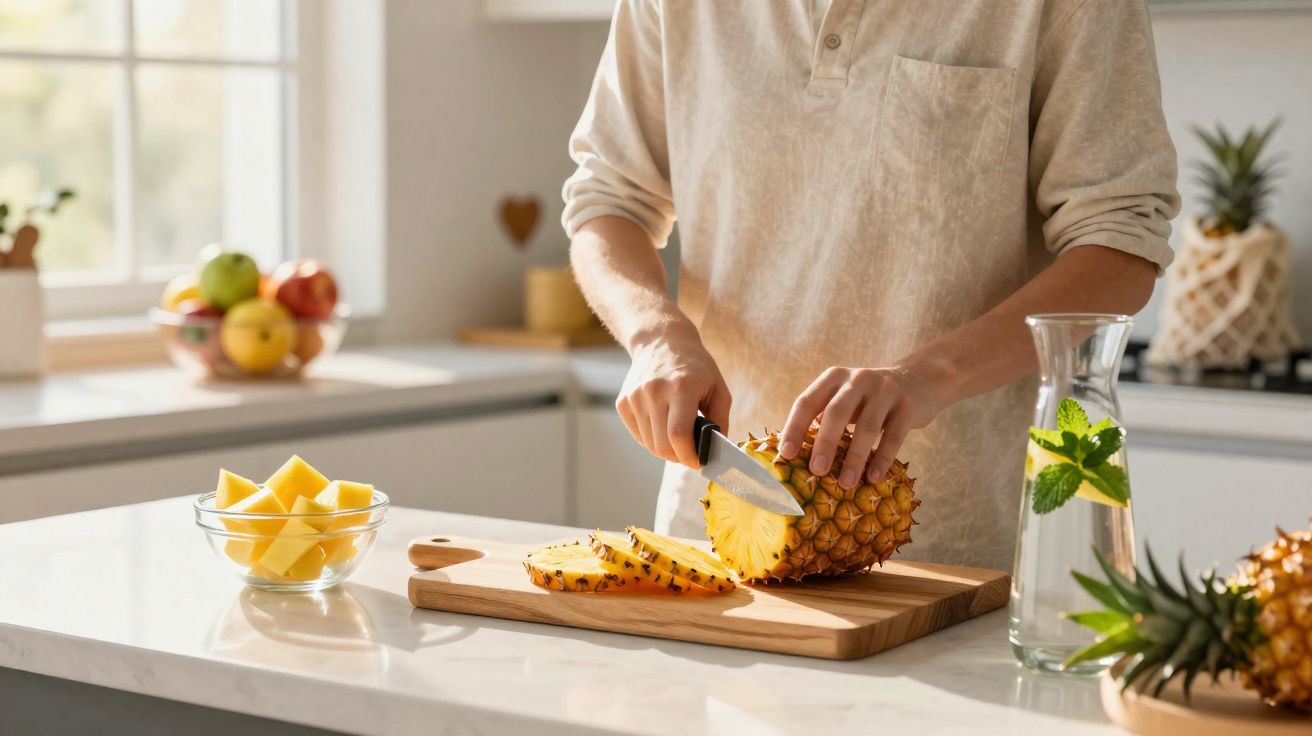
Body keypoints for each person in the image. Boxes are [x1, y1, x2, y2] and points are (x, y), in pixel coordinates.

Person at [562, 1, 1179, 570]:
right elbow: (608, 199)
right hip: (719, 529)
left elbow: (1120, 245)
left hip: (968, 556)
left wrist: (929, 375)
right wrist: (655, 336)